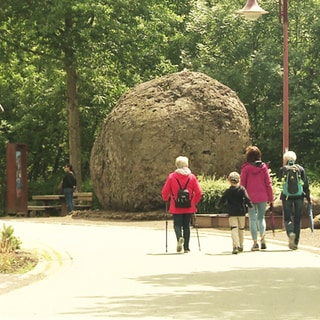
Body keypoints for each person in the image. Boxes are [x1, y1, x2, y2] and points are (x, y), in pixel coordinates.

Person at [161, 156, 202, 253]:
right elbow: (199, 192)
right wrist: (194, 201)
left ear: (177, 165)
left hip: (176, 205)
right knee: (187, 226)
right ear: (187, 165)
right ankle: (187, 247)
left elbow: (165, 192)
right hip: (188, 206)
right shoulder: (192, 177)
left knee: (177, 224)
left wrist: (166, 198)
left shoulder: (172, 177)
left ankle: (179, 237)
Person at [240, 146, 274, 251]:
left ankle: (255, 243)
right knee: (261, 217)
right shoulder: (263, 167)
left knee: (252, 219)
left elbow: (242, 185)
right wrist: (271, 197)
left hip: (249, 197)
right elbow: (268, 183)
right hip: (263, 196)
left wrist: (242, 198)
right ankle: (263, 237)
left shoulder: (245, 168)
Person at [278, 151, 311, 250]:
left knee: (287, 218)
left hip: (287, 197)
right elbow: (305, 184)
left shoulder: (282, 169)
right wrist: (308, 197)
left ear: (286, 159)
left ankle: (290, 232)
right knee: (297, 219)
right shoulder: (300, 169)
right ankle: (296, 243)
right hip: (299, 197)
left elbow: (281, 182)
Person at [218, 172, 253, 254]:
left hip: (232, 212)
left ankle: (236, 246)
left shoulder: (228, 191)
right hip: (241, 212)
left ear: (229, 181)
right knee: (241, 229)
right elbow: (247, 198)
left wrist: (218, 206)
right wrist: (250, 205)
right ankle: (241, 245)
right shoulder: (242, 189)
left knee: (234, 228)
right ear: (239, 180)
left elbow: (222, 199)